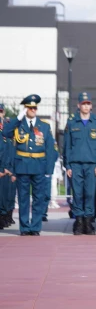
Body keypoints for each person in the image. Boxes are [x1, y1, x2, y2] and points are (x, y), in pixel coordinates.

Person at [2, 95, 55, 235]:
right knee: (23, 198)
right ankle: (25, 227)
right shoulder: (18, 124)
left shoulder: (44, 125)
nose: (32, 110)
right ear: (25, 109)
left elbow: (50, 148)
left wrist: (49, 169)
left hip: (39, 165)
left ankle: (35, 227)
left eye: (34, 108)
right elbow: (5, 132)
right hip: (22, 166)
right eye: (30, 108)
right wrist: (18, 118)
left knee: (38, 198)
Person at [63, 92, 96, 235]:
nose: (86, 106)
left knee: (90, 194)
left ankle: (88, 222)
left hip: (92, 165)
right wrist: (67, 165)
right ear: (79, 105)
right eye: (83, 104)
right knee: (78, 194)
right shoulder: (71, 122)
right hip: (75, 165)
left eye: (88, 104)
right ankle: (79, 222)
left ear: (91, 105)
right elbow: (67, 146)